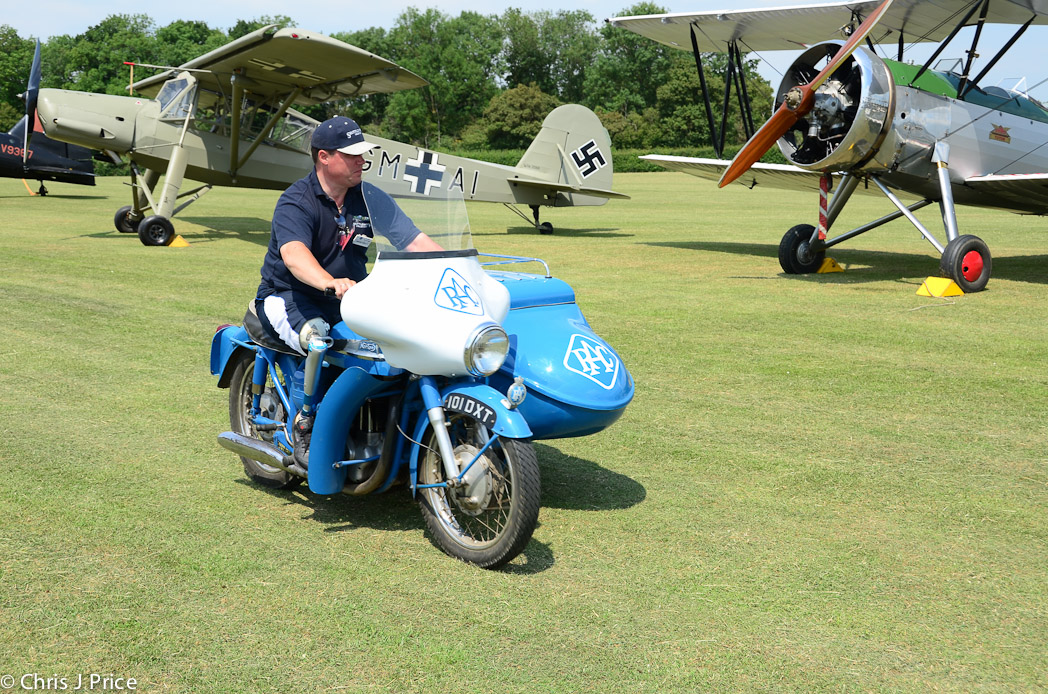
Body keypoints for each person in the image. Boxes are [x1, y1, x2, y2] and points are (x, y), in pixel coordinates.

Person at [254, 115, 441, 465]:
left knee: (390, 342)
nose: (361, 161)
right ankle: (304, 427)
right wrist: (328, 281)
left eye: (362, 154)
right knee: (317, 339)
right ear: (324, 157)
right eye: (352, 154)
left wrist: (457, 266)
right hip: (290, 296)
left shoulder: (367, 198)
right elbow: (294, 255)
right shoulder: (296, 200)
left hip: (351, 297)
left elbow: (413, 240)